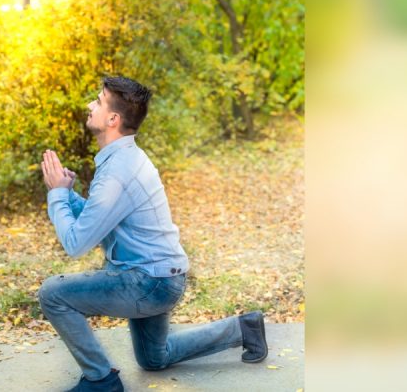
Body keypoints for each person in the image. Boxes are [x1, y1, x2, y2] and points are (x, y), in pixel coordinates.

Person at [39, 76, 267, 392]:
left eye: (98, 101)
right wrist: (69, 193)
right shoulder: (123, 159)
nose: (90, 105)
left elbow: (76, 243)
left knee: (53, 293)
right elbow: (101, 216)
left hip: (149, 282)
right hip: (162, 277)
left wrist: (56, 194)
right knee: (154, 358)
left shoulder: (118, 170)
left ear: (113, 119)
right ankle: (243, 329)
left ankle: (101, 380)